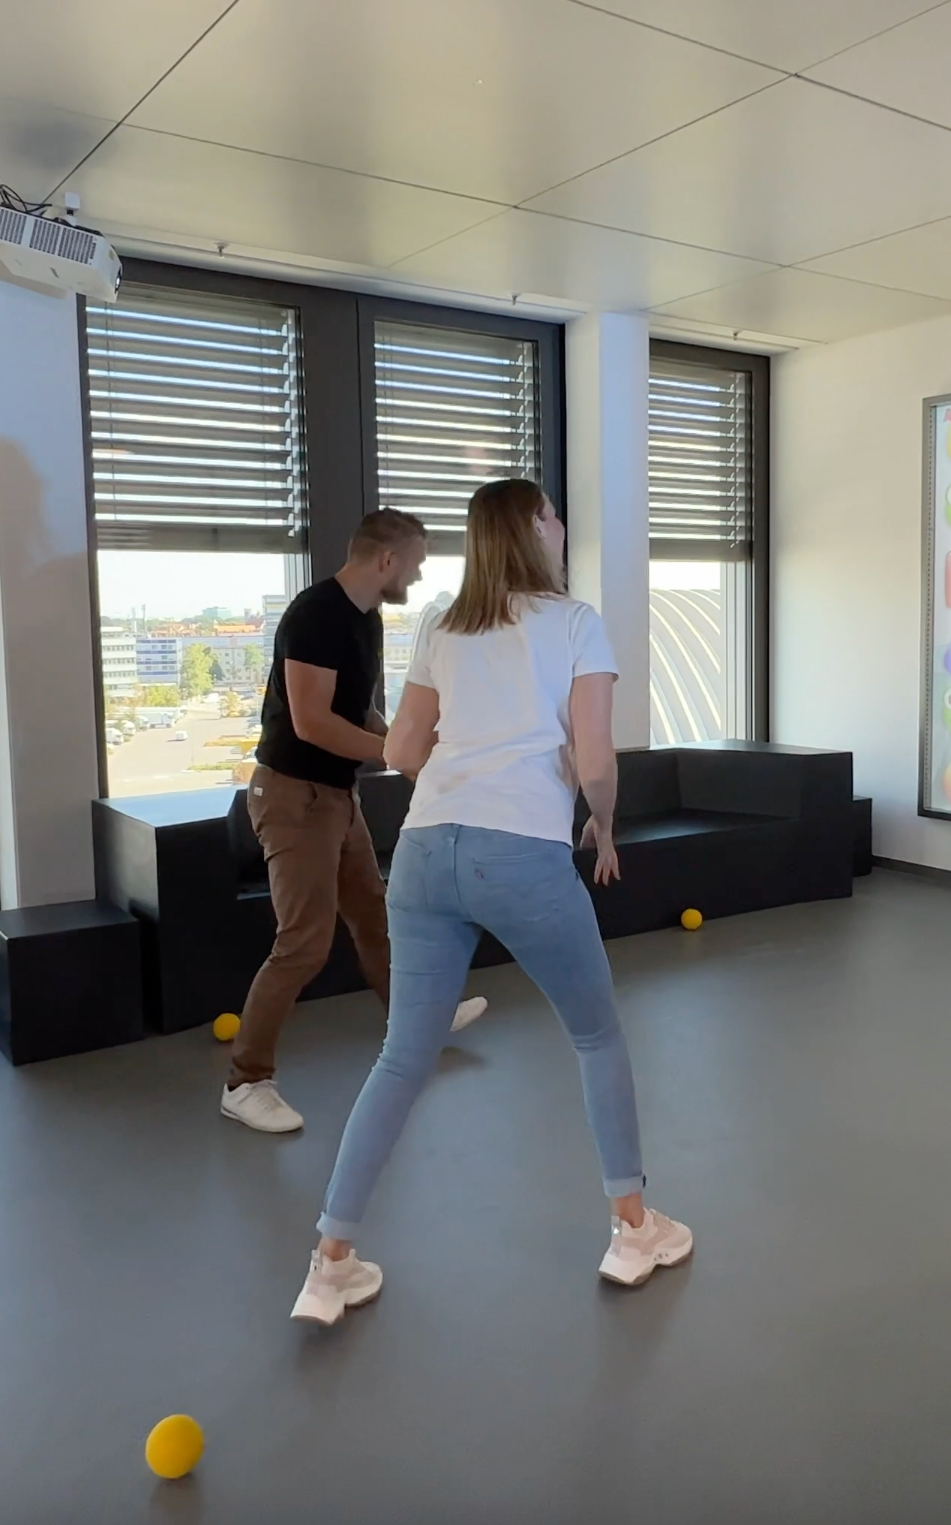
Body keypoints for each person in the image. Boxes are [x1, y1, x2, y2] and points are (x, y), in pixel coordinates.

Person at [291, 478, 691, 1325]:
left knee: (403, 1057)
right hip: (522, 852)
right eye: (552, 512)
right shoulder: (576, 622)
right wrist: (606, 829)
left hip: (428, 849)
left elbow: (402, 750)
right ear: (530, 531)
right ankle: (633, 1230)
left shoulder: (443, 622)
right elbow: (594, 761)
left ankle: (328, 1266)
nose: (561, 522)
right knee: (594, 1035)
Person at [223, 508, 486, 1135]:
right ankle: (245, 1081)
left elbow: (357, 709)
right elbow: (311, 722)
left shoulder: (366, 620)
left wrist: (406, 744)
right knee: (303, 944)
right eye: (416, 563)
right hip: (293, 799)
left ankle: (417, 1020)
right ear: (386, 560)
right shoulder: (315, 616)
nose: (418, 578)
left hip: (336, 798)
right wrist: (391, 751)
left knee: (374, 915)